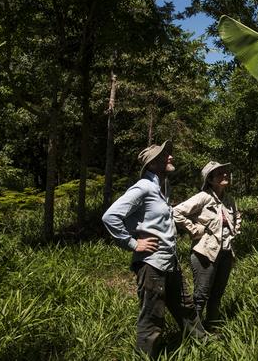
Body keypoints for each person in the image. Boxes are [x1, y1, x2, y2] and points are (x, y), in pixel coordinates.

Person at [102, 140, 206, 358]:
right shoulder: (144, 187)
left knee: (185, 306)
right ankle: (145, 356)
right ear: (152, 164)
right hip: (151, 264)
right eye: (164, 155)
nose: (170, 157)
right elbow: (111, 217)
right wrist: (133, 243)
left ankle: (204, 344)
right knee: (152, 316)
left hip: (169, 261)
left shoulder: (162, 188)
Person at [173, 161, 241, 330]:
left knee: (217, 294)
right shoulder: (203, 197)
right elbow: (176, 212)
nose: (225, 175)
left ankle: (212, 329)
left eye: (225, 172)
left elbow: (237, 218)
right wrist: (194, 229)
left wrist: (235, 232)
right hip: (205, 253)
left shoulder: (229, 200)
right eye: (219, 173)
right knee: (201, 295)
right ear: (209, 179)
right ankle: (193, 333)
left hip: (225, 253)